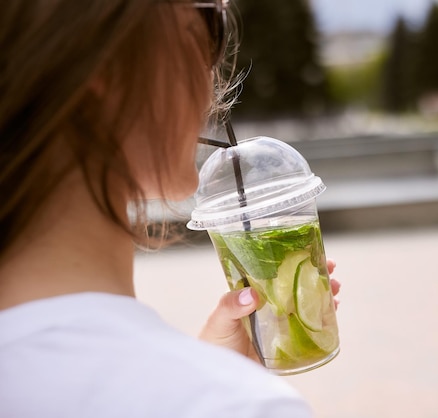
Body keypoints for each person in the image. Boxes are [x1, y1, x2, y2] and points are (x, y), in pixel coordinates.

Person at [0, 1, 339, 417]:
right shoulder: (233, 404)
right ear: (106, 62)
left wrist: (201, 371)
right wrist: (205, 387)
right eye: (208, 20)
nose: (214, 74)